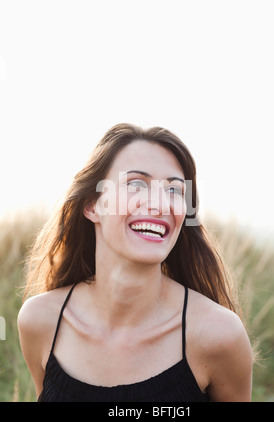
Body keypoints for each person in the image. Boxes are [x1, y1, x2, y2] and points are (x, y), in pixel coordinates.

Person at [18, 123, 253, 402]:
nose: (161, 204)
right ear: (92, 206)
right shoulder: (40, 320)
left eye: (175, 190)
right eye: (136, 184)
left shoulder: (220, 335)